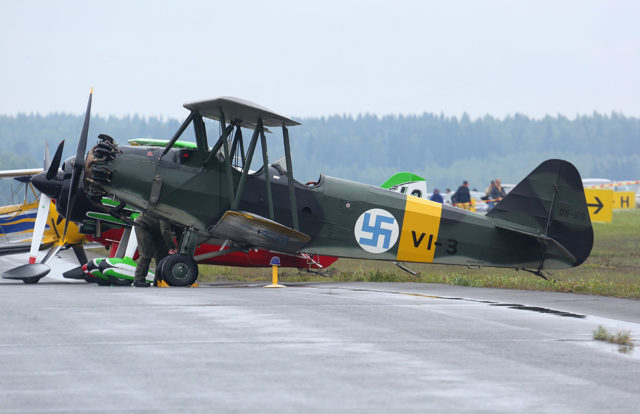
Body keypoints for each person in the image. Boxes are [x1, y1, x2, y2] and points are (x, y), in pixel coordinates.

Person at [133, 212, 178, 287]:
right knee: (146, 253)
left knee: (162, 254)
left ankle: (158, 281)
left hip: (156, 229)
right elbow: (164, 230)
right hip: (143, 225)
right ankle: (138, 279)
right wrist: (172, 247)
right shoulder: (167, 210)